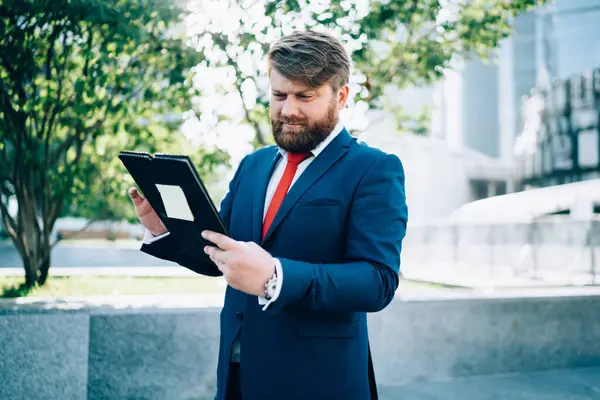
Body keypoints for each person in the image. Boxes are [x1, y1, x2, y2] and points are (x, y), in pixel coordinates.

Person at [129, 30, 408, 400]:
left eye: (304, 96)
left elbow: (378, 280)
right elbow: (220, 256)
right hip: (238, 378)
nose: (288, 110)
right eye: (279, 95)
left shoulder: (374, 169)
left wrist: (277, 276)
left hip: (320, 382)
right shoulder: (252, 165)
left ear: (341, 96)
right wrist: (165, 231)